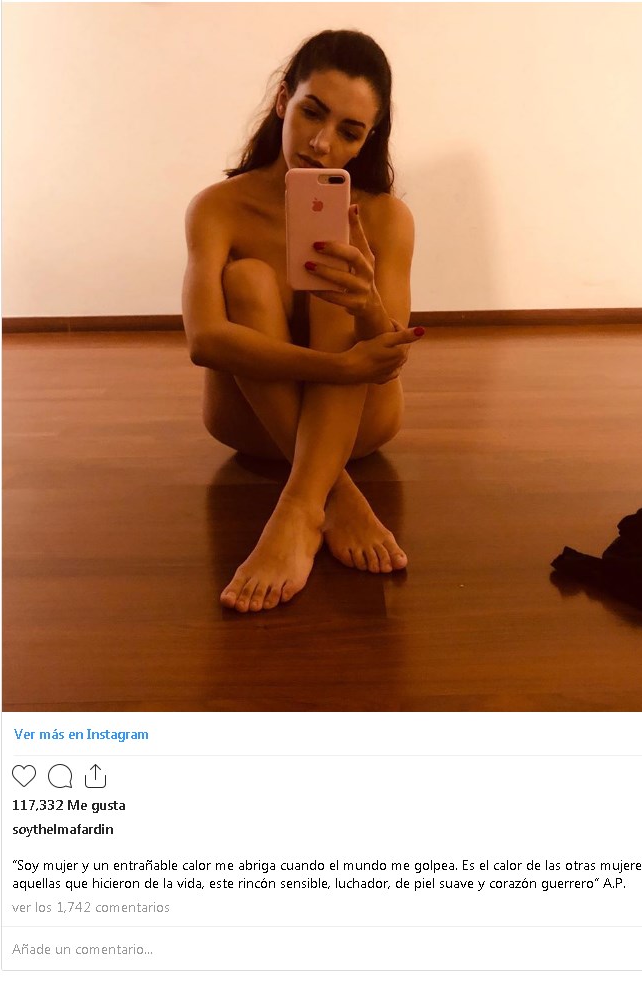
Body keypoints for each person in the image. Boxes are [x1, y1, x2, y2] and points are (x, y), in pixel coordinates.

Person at [182, 29, 424, 613]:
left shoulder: (387, 217)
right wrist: (337, 367)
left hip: (360, 429)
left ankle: (297, 510)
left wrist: (366, 303)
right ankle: (331, 494)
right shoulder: (218, 206)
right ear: (281, 100)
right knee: (247, 279)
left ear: (368, 140)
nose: (321, 143)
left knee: (335, 289)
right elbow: (204, 340)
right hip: (248, 426)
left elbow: (388, 358)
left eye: (349, 131)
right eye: (312, 112)